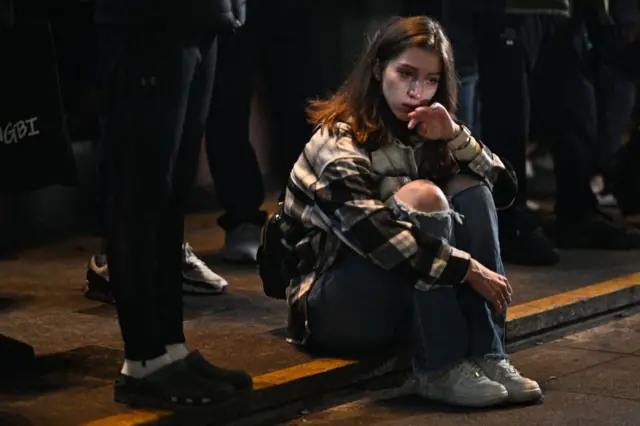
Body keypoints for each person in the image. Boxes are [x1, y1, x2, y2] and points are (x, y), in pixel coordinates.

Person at [281, 16, 541, 408]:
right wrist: (467, 267)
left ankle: (489, 355)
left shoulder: (427, 129)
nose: (417, 92)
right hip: (336, 309)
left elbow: (503, 191)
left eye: (431, 80)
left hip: (399, 297)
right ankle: (439, 369)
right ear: (377, 69)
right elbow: (375, 235)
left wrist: (455, 135)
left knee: (471, 187)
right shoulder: (338, 139)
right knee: (424, 197)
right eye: (405, 73)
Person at [95, 0, 252, 410]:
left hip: (204, 16)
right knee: (141, 193)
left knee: (170, 198)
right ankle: (143, 360)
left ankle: (170, 349)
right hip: (148, 20)